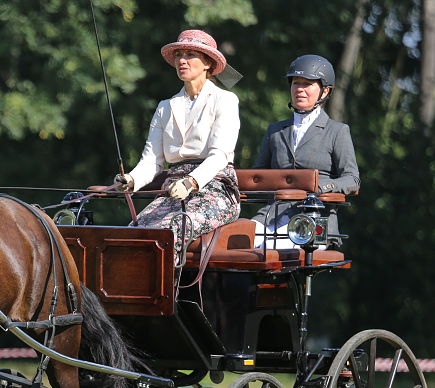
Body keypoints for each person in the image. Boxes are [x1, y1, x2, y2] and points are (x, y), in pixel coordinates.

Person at [115, 29, 241, 264]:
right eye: (179, 55)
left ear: (207, 63)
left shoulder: (224, 100)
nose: (182, 60)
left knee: (169, 233)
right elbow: (152, 160)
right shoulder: (165, 107)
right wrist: (131, 180)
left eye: (190, 54)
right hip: (173, 191)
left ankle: (163, 298)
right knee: (130, 234)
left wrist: (192, 181)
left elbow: (219, 155)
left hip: (215, 191)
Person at [251, 55, 360, 249]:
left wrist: (320, 188)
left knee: (268, 249)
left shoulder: (337, 131)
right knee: (232, 240)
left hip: (312, 220)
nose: (299, 89)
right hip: (271, 215)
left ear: (325, 91)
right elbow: (258, 176)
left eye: (307, 84)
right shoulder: (275, 131)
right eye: (295, 83)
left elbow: (352, 179)